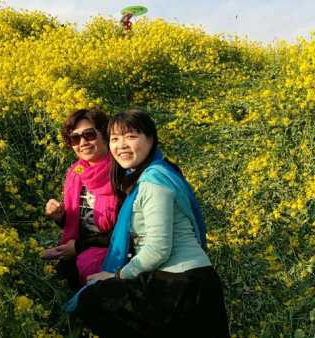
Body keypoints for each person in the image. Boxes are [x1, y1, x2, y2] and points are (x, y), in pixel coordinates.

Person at [73, 110, 230, 337]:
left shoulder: (154, 182)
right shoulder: (149, 177)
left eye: (131, 136)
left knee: (92, 301)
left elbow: (158, 249)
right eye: (115, 139)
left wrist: (118, 276)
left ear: (150, 138)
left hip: (183, 286)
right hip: (184, 281)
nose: (121, 146)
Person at [43, 107, 119, 289]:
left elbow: (125, 232)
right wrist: (60, 216)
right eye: (75, 138)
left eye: (89, 135)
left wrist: (77, 247)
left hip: (113, 247)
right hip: (80, 245)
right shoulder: (76, 172)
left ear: (106, 134)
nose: (82, 142)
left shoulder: (120, 173)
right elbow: (78, 222)